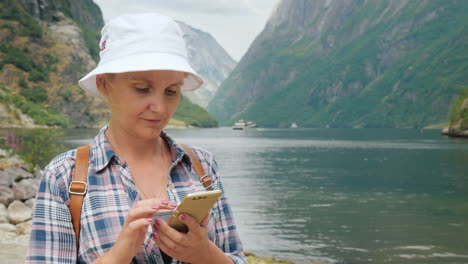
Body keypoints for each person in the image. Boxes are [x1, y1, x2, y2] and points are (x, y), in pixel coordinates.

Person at [26, 13, 246, 264]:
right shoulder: (64, 174)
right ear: (104, 84)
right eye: (142, 89)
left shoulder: (202, 165)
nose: (161, 108)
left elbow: (236, 257)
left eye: (172, 91)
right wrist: (119, 254)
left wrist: (206, 255)